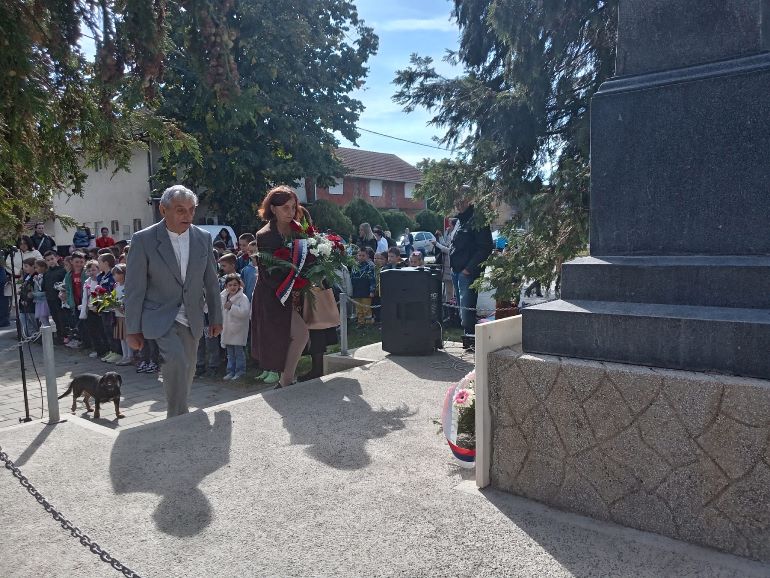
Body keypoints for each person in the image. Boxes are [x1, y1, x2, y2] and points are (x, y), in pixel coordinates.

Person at [124, 185, 222, 418]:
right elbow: (134, 288)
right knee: (176, 360)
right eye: (180, 210)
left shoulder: (203, 238)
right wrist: (132, 329)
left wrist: (216, 317)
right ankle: (177, 417)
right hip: (159, 314)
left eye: (191, 210)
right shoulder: (143, 240)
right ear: (163, 210)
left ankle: (179, 411)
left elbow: (211, 281)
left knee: (188, 366)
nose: (187, 216)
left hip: (192, 314)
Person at [251, 185, 309, 388]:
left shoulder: (298, 229)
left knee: (298, 335)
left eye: (293, 207)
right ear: (273, 208)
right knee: (297, 334)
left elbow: (307, 256)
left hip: (294, 291)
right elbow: (270, 273)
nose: (290, 212)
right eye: (285, 207)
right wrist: (294, 283)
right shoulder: (265, 235)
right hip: (273, 294)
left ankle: (285, 381)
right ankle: (285, 381)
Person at [449, 195, 493, 349]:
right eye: (457, 201)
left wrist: (468, 269)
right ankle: (468, 342)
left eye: (462, 201)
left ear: (470, 201)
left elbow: (485, 248)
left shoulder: (478, 220)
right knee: (463, 312)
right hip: (456, 271)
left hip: (467, 273)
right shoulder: (459, 220)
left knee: (467, 312)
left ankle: (472, 344)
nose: (459, 204)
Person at [220, 273, 251, 380]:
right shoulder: (223, 296)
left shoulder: (243, 298)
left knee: (238, 352)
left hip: (238, 330)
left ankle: (240, 371)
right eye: (230, 285)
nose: (232, 287)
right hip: (227, 330)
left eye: (235, 285)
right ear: (226, 286)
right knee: (230, 354)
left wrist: (232, 307)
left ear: (239, 285)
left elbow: (245, 312)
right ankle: (230, 371)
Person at [42, 251, 66, 343]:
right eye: (48, 260)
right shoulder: (46, 273)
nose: (51, 261)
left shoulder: (63, 270)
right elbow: (44, 286)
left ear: (57, 258)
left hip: (60, 299)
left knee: (62, 317)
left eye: (52, 259)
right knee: (55, 317)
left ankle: (64, 335)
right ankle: (59, 335)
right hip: (50, 298)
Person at [111, 264, 133, 365]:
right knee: (121, 337)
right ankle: (124, 356)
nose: (114, 276)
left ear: (123, 274)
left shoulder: (128, 286)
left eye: (116, 274)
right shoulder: (116, 286)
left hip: (125, 315)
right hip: (118, 314)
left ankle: (130, 356)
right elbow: (114, 297)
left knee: (127, 336)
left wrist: (123, 306)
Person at [351, 247, 375, 327]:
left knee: (366, 307)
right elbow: (352, 278)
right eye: (359, 255)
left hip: (366, 290)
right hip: (356, 290)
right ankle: (360, 322)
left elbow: (372, 279)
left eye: (363, 255)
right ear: (357, 256)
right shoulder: (354, 266)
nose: (361, 257)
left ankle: (368, 324)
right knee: (358, 308)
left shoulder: (370, 266)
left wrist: (372, 290)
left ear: (367, 256)